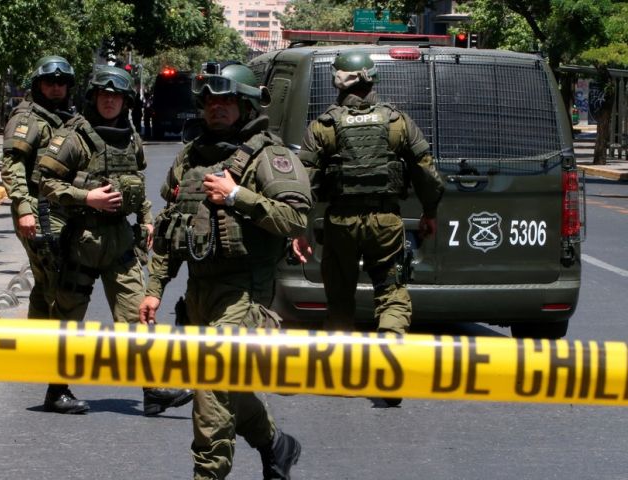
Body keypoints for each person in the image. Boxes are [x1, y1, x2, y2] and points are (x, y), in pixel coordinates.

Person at [139, 64, 309, 480]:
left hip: (244, 294)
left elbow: (295, 219)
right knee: (223, 384)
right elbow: (169, 227)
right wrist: (154, 288)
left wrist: (237, 196)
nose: (217, 108)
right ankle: (276, 445)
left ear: (247, 104)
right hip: (198, 293)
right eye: (211, 101)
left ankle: (208, 475)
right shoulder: (191, 157)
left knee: (211, 389)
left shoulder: (269, 157)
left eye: (227, 100)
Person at [37, 65, 193, 416]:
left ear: (125, 101)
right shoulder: (74, 137)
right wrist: (86, 198)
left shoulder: (131, 136)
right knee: (67, 320)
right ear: (94, 97)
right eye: (104, 95)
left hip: (120, 240)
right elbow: (45, 183)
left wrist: (148, 219)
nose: (110, 101)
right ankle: (56, 391)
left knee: (138, 316)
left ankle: (153, 390)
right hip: (82, 240)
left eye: (117, 96)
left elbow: (135, 183)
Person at [292, 51, 444, 336]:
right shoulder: (397, 122)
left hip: (340, 224)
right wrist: (430, 212)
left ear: (337, 81)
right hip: (385, 223)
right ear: (372, 78)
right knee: (392, 294)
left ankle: (341, 365)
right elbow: (426, 172)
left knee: (339, 302)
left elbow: (304, 183)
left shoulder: (323, 126)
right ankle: (390, 351)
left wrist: (298, 228)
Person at [0, 55, 88, 414]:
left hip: (62, 213)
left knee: (45, 286)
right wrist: (23, 208)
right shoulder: (29, 118)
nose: (56, 87)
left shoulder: (63, 118)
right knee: (59, 292)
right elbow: (13, 166)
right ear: (38, 84)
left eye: (62, 82)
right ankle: (57, 386)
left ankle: (33, 354)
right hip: (40, 214)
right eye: (50, 82)